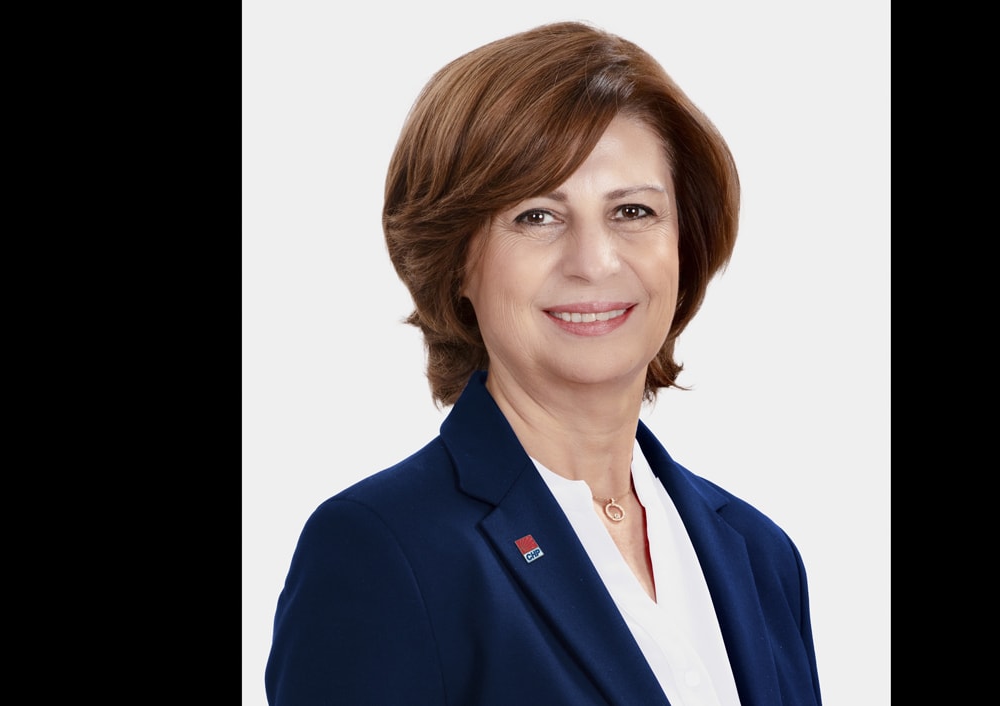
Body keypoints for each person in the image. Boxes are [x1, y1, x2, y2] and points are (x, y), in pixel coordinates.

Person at [266, 20, 822, 706]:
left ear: (686, 243)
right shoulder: (382, 552)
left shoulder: (761, 557)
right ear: (456, 259)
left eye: (633, 211)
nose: (594, 262)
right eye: (536, 216)